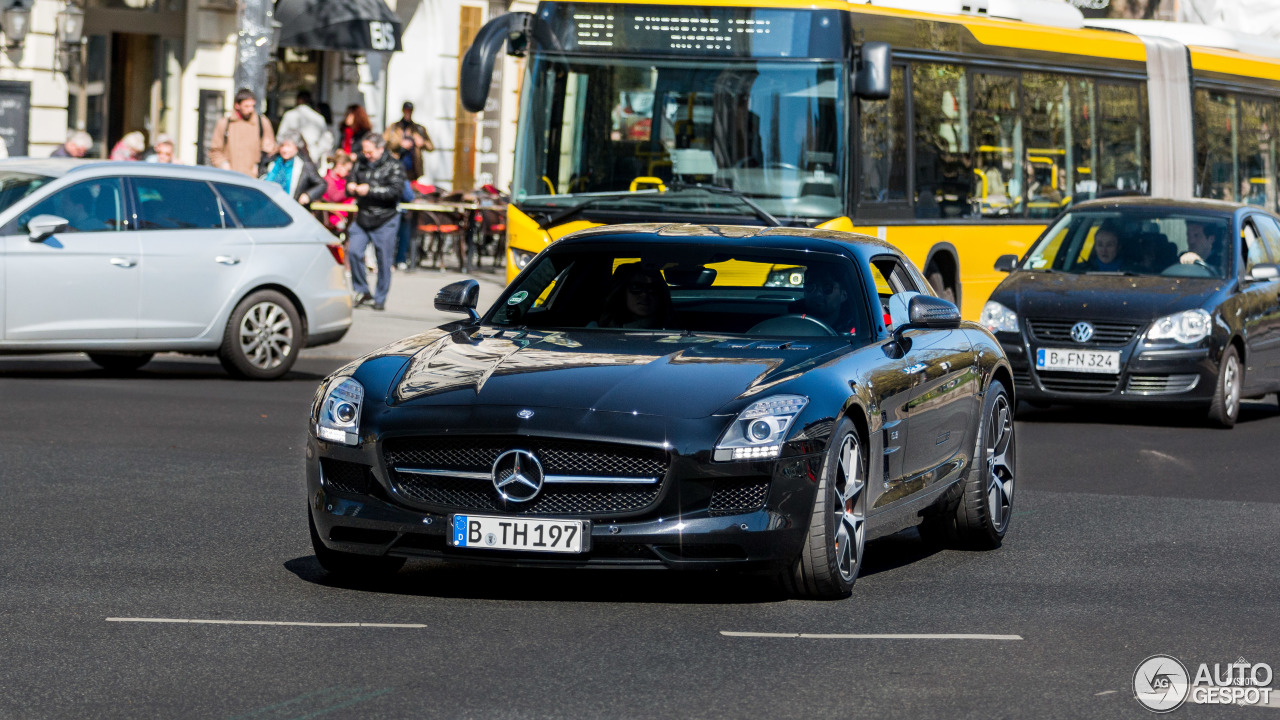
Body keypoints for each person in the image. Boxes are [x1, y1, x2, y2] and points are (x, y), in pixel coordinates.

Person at [346, 134, 406, 311]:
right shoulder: (361, 162)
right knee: (354, 252)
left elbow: (396, 191)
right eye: (365, 151)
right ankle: (362, 291)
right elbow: (352, 178)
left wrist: (370, 190)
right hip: (363, 215)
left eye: (370, 151)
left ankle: (380, 298)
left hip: (385, 218)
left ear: (380, 149)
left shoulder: (394, 165)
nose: (367, 155)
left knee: (383, 261)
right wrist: (350, 186)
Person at [209, 88, 277, 177]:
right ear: (237, 105)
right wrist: (223, 165)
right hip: (229, 177)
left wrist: (258, 166)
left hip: (253, 178)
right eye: (246, 106)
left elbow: (270, 150)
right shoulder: (225, 123)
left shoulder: (262, 123)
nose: (250, 109)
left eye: (252, 106)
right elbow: (215, 151)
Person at [595, 264, 677, 329]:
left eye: (652, 288)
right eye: (636, 287)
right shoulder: (595, 330)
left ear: (661, 294)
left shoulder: (677, 333)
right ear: (622, 292)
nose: (644, 294)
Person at [260, 134, 325, 205]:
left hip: (288, 205)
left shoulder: (304, 165)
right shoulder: (271, 161)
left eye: (288, 146)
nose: (285, 150)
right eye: (282, 146)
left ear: (296, 147)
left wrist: (308, 195)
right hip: (265, 200)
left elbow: (321, 184)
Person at [276, 90, 334, 164]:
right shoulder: (318, 118)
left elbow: (280, 137)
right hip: (308, 157)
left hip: (296, 159)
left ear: (298, 100)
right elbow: (326, 142)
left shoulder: (290, 115)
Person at [800, 263, 856, 333]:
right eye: (810, 286)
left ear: (843, 295)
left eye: (827, 287)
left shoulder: (854, 329)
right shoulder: (791, 322)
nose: (818, 294)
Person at [321, 152, 357, 233]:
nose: (348, 173)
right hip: (333, 217)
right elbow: (334, 197)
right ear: (339, 165)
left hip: (346, 215)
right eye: (347, 170)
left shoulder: (343, 179)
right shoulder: (328, 179)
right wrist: (348, 190)